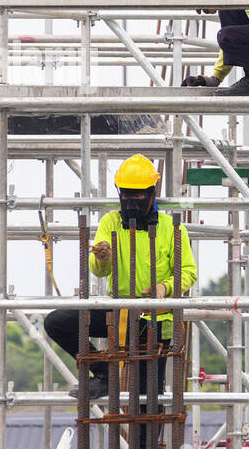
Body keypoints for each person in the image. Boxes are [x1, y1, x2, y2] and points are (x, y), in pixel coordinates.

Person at [44, 155, 197, 402]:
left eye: (136, 195)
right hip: (119, 312)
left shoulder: (171, 228)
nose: (130, 201)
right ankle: (104, 373)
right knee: (57, 322)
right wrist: (103, 257)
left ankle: (146, 441)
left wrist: (164, 287)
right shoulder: (111, 221)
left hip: (154, 319)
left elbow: (188, 272)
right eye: (125, 195)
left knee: (148, 399)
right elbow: (99, 271)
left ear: (150, 193)